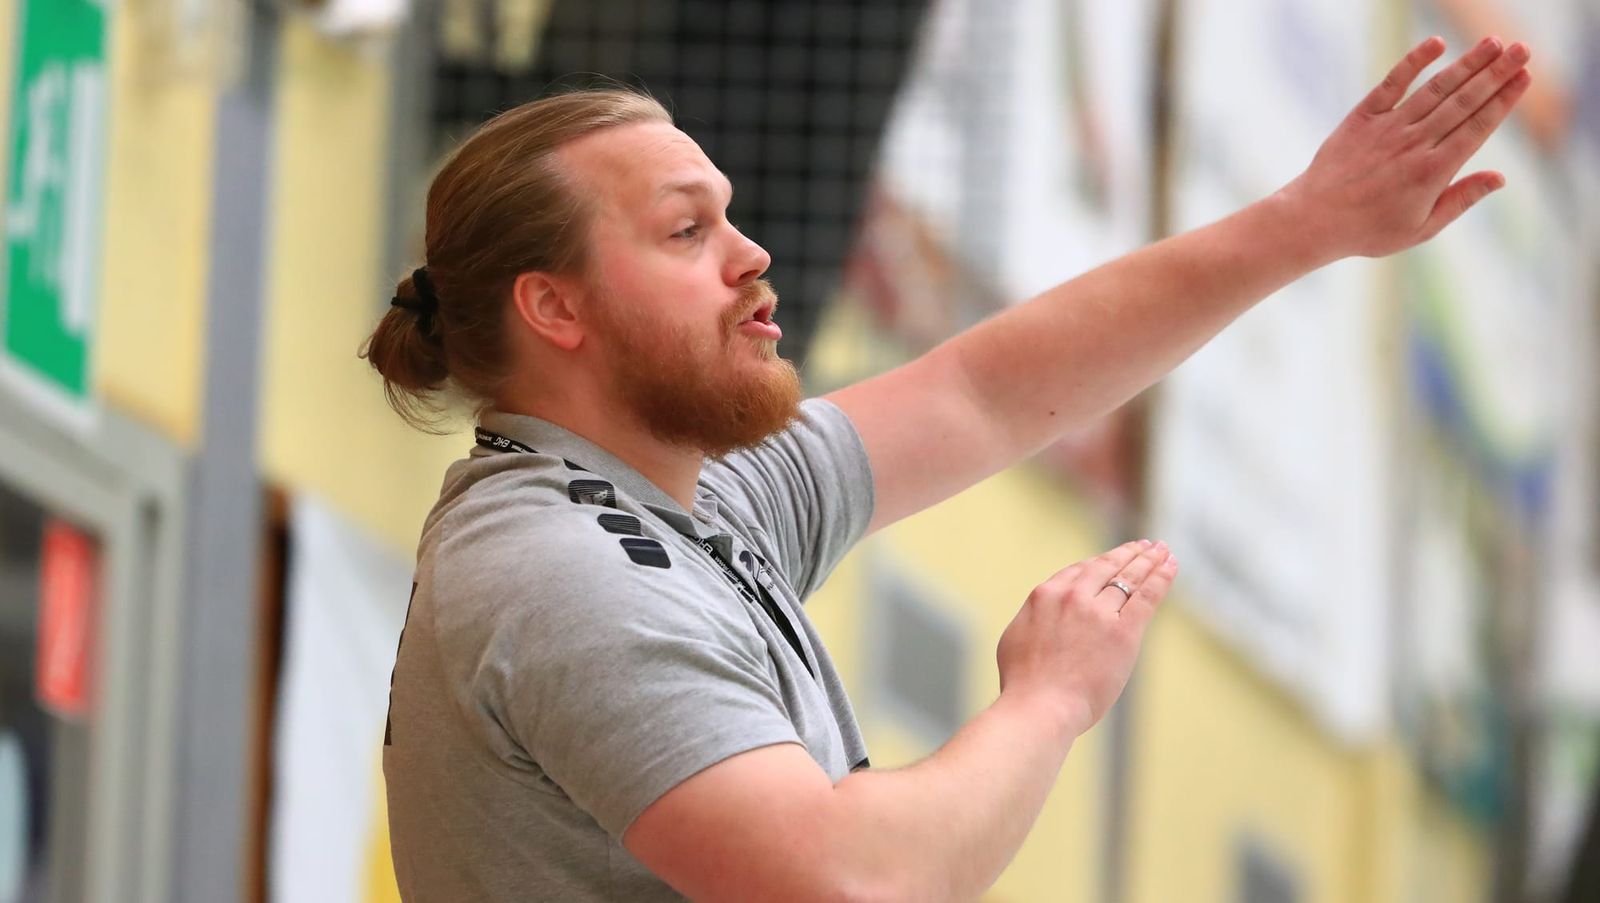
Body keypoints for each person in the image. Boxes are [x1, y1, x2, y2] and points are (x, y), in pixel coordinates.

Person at [365, 34, 1531, 902]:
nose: (751, 253)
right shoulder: (567, 567)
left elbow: (984, 394)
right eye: (687, 232)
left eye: (729, 218)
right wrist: (1050, 697)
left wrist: (1306, 224)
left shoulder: (690, 504)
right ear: (553, 307)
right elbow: (843, 881)